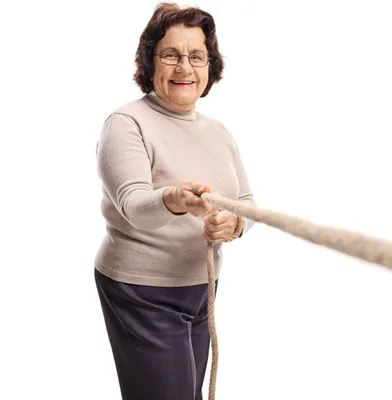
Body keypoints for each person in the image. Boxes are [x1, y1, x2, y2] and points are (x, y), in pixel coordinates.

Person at [93, 3, 256, 400]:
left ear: (209, 68)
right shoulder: (127, 123)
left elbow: (246, 201)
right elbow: (134, 206)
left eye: (196, 56)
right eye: (170, 54)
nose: (185, 67)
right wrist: (173, 198)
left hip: (202, 286)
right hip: (141, 290)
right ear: (150, 62)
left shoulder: (219, 132)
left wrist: (232, 226)